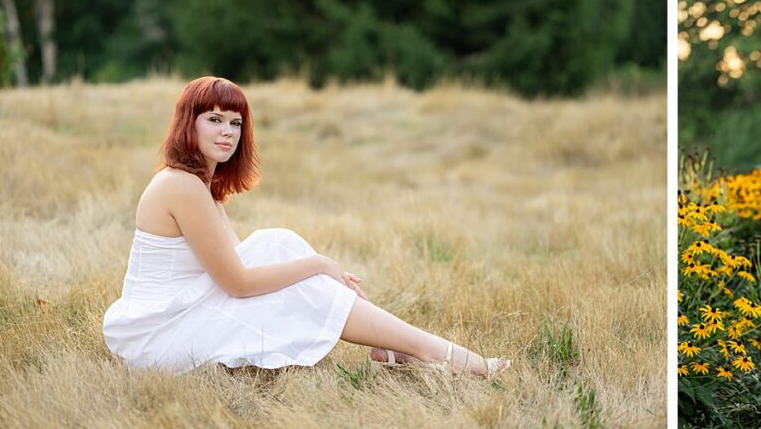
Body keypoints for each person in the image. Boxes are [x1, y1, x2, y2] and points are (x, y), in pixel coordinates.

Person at [102, 76, 509, 377]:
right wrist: (318, 264)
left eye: (236, 123)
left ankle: (403, 348)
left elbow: (240, 272)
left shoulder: (200, 187)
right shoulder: (181, 186)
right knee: (280, 248)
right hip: (157, 337)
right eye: (214, 119)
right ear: (188, 124)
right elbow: (238, 284)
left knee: (279, 250)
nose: (227, 132)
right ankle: (446, 357)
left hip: (179, 316)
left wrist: (309, 270)